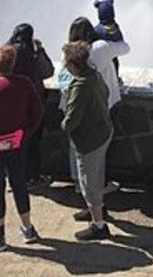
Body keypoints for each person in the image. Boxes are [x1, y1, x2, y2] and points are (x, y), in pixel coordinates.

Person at [0, 44, 43, 251]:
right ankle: (28, 228)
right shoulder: (25, 84)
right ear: (13, 64)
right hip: (18, 144)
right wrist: (26, 133)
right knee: (19, 183)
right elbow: (38, 111)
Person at [61, 41, 114, 241]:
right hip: (104, 132)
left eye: (67, 63)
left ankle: (99, 225)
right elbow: (107, 94)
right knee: (98, 174)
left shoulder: (81, 85)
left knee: (88, 182)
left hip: (89, 140)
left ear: (74, 64)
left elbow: (72, 119)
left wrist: (64, 126)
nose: (65, 65)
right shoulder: (95, 75)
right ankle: (96, 209)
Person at [8, 23, 55, 188]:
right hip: (33, 107)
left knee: (14, 142)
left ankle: (14, 178)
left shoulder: (6, 54)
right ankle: (33, 178)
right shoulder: (31, 56)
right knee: (33, 143)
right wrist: (40, 49)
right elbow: (48, 71)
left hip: (11, 107)